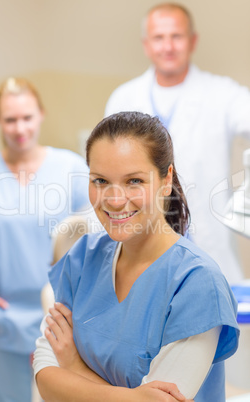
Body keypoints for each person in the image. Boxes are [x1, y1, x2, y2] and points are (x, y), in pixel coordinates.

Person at [33, 112, 239, 401]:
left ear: (166, 180)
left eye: (134, 181)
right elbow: (44, 377)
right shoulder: (82, 259)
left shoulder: (197, 283)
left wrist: (74, 366)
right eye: (101, 180)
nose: (115, 200)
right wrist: (134, 397)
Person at [104, 3, 250, 284]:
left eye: (177, 36)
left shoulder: (222, 93)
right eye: (159, 38)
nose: (168, 46)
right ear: (146, 44)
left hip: (208, 243)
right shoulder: (123, 98)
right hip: (141, 242)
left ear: (192, 41)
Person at [0, 77, 93, 402]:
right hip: (0, 318)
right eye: (10, 119)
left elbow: (95, 239)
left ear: (41, 114)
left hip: (62, 316)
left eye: (27, 117)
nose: (20, 128)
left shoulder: (70, 167)